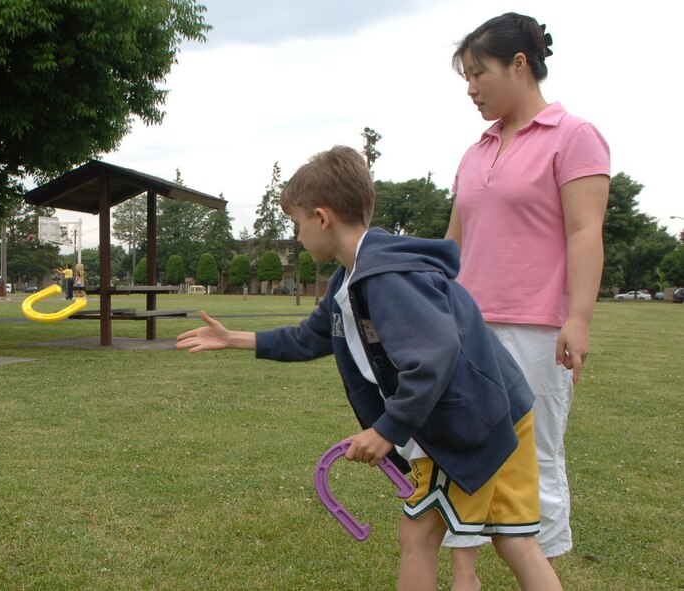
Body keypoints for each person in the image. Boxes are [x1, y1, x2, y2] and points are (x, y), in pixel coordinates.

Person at [177, 146, 563, 591]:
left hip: (466, 418)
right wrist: (235, 339)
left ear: (322, 218)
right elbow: (310, 337)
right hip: (506, 410)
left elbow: (434, 356)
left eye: (297, 223)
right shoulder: (349, 279)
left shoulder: (384, 276)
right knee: (516, 541)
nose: (298, 236)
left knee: (418, 536)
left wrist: (386, 431)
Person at [442, 13, 610, 591]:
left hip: (537, 327)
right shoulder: (474, 150)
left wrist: (579, 319)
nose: (470, 87)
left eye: (478, 72)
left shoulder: (574, 136)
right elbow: (452, 246)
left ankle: (539, 575)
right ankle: (465, 575)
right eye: (465, 76)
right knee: (458, 443)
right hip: (465, 328)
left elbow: (586, 231)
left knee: (534, 455)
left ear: (519, 64)